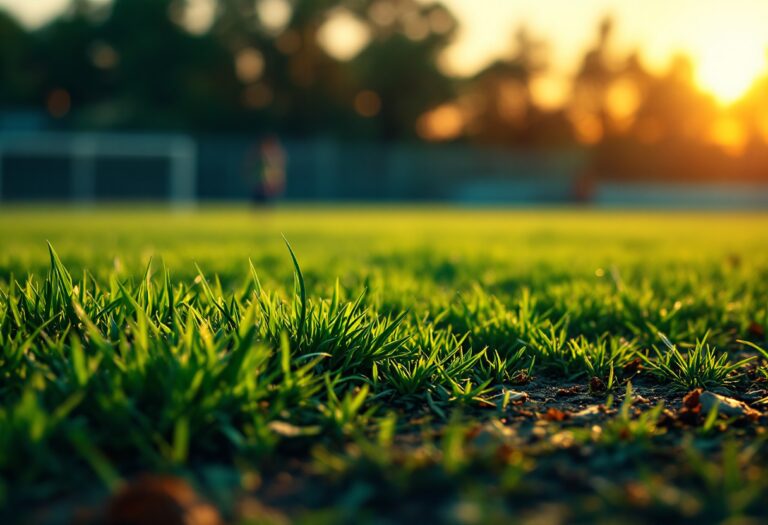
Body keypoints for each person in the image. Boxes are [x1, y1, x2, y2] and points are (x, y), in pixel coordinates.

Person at [243, 135, 286, 204]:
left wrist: (278, 182)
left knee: (267, 204)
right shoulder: (258, 154)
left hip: (269, 185)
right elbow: (249, 166)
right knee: (258, 203)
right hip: (260, 184)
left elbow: (279, 171)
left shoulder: (275, 156)